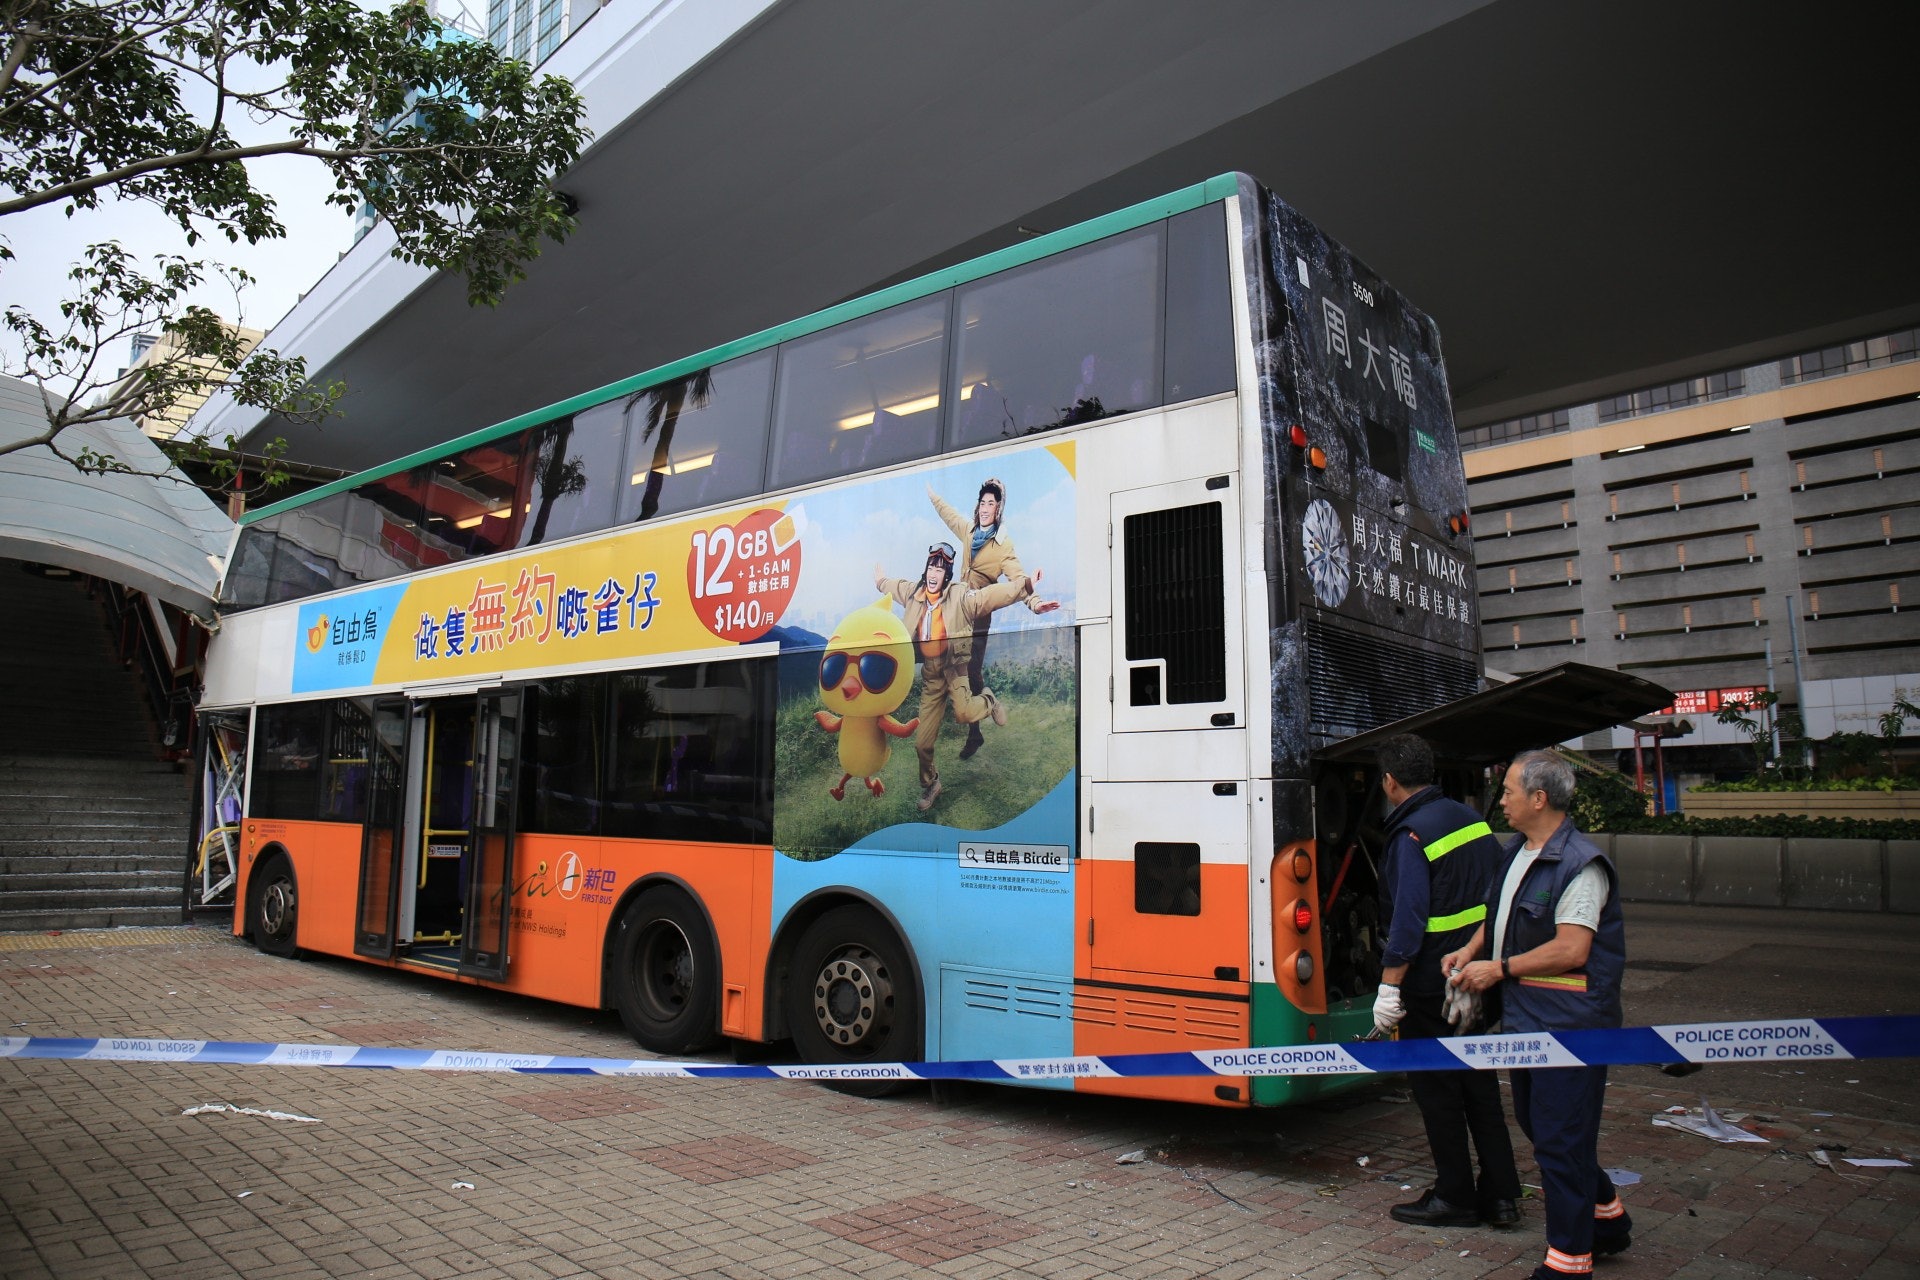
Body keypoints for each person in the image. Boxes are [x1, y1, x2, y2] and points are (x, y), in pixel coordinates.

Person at [1445, 751, 1633, 1280]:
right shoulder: (1518, 851)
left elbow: (1572, 950)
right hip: (1529, 1019)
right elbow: (1499, 914)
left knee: (1559, 1137)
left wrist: (1497, 969)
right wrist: (1470, 952)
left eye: (1507, 791)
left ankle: (1569, 1262)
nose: (1499, 800)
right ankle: (1608, 1219)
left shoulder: (1581, 866)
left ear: (1539, 798)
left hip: (1570, 1025)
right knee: (1545, 1127)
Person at [1369, 734, 1521, 1231]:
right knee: (1479, 1086)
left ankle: (1455, 1196)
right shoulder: (1470, 819)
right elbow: (1497, 897)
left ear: (1390, 781)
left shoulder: (1410, 835)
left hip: (1432, 983)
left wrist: (1390, 988)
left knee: (1437, 1093)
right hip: (1474, 978)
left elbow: (1408, 921)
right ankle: (1502, 1196)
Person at [875, 544, 1041, 810]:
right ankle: (932, 784)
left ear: (947, 575)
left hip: (955, 669)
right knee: (922, 744)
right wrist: (881, 580)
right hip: (932, 674)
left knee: (963, 714)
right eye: (931, 567)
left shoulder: (960, 597)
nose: (934, 573)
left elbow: (990, 596)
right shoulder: (914, 594)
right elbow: (893, 586)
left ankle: (988, 701)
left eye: (940, 569)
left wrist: (1026, 584)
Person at [926, 478, 1058, 761]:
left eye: (991, 504)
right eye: (982, 503)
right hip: (957, 614)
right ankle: (974, 732)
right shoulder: (969, 531)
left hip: (979, 618)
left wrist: (1035, 603)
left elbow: (1017, 579)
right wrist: (933, 497)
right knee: (958, 669)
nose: (985, 508)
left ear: (999, 509)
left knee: (970, 671)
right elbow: (949, 515)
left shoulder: (1002, 546)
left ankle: (980, 718)